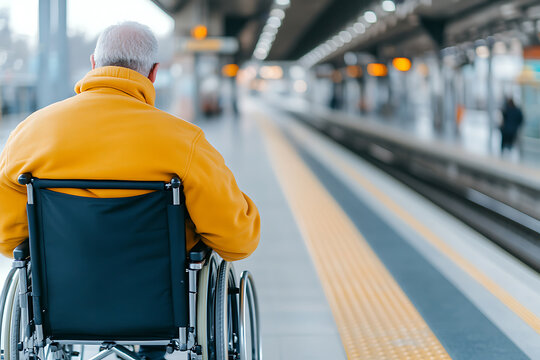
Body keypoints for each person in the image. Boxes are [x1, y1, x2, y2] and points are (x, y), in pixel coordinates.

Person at [0, 22, 260, 360]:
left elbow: (8, 240)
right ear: (153, 73)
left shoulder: (31, 133)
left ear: (94, 64)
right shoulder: (184, 141)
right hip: (161, 309)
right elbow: (238, 242)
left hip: (61, 306)